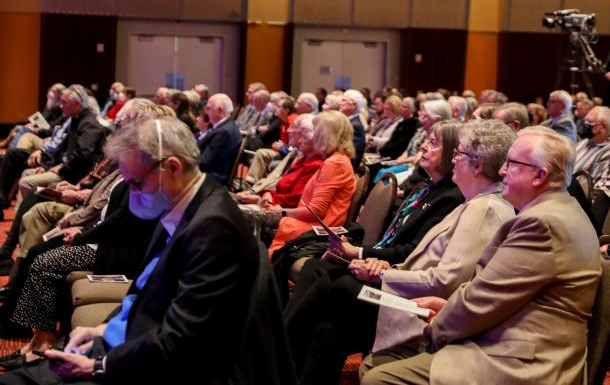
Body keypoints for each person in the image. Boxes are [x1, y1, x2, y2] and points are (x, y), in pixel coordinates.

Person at [0, 116, 258, 384]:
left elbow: (183, 340)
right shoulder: (178, 205)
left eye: (136, 184)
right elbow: (145, 295)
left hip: (141, 366)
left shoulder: (214, 229)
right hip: (125, 346)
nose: (132, 194)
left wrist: (98, 366)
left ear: (172, 167)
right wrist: (102, 329)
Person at [359, 126, 602, 385]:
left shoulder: (542, 224)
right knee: (376, 365)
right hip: (517, 337)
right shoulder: (559, 209)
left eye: (512, 163)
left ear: (539, 175)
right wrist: (447, 308)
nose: (501, 171)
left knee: (378, 379)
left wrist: (436, 327)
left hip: (523, 360)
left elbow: (484, 299)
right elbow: (494, 292)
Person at [291, 121, 517, 385]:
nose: (454, 160)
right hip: (409, 292)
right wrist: (384, 268)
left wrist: (384, 275)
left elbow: (445, 281)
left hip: (420, 307)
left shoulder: (484, 209)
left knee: (333, 283)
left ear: (477, 166)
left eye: (459, 154)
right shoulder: (474, 202)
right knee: (328, 325)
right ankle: (282, 362)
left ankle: (274, 352)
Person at [265, 111, 356, 256]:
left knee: (250, 219)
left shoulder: (335, 163)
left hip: (316, 229)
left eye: (316, 131)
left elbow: (315, 212)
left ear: (325, 135)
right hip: (313, 224)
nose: (312, 137)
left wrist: (282, 211)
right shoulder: (336, 160)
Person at [197, 93, 242, 185]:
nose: (206, 112)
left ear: (220, 111)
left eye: (208, 108)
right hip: (208, 173)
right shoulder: (227, 126)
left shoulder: (223, 132)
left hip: (211, 178)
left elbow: (204, 163)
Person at [574, 106, 610, 181]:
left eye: (589, 122)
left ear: (602, 127)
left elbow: (593, 182)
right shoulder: (585, 141)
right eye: (585, 120)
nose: (585, 124)